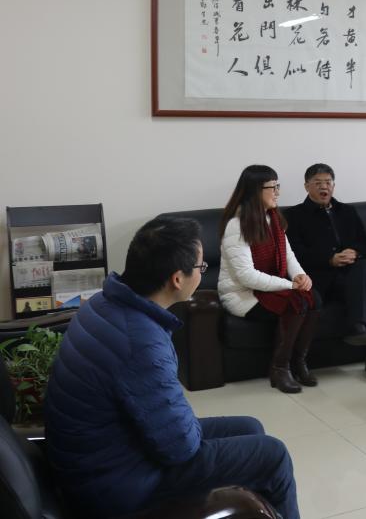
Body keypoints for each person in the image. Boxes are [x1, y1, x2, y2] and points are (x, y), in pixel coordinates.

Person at [44, 216, 298, 519]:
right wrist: (184, 423)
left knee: (249, 427)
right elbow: (180, 448)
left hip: (104, 456)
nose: (202, 274)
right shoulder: (140, 341)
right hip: (117, 485)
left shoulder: (103, 303)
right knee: (273, 455)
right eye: (201, 267)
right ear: (178, 279)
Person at [218, 165, 319, 394]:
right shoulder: (237, 224)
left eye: (277, 186)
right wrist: (290, 285)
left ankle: (298, 362)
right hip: (242, 294)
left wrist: (301, 276)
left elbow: (288, 255)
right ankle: (279, 368)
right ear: (255, 190)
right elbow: (246, 276)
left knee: (313, 297)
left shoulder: (273, 217)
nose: (278, 192)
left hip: (268, 287)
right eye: (272, 187)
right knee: (295, 301)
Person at [286, 163, 366, 382]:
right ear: (306, 187)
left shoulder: (347, 211)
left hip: (352, 276)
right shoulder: (294, 215)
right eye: (317, 183)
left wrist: (355, 252)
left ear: (333, 185)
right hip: (321, 279)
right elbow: (294, 253)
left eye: (328, 182)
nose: (324, 187)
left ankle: (361, 332)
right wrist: (329, 259)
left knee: (364, 268)